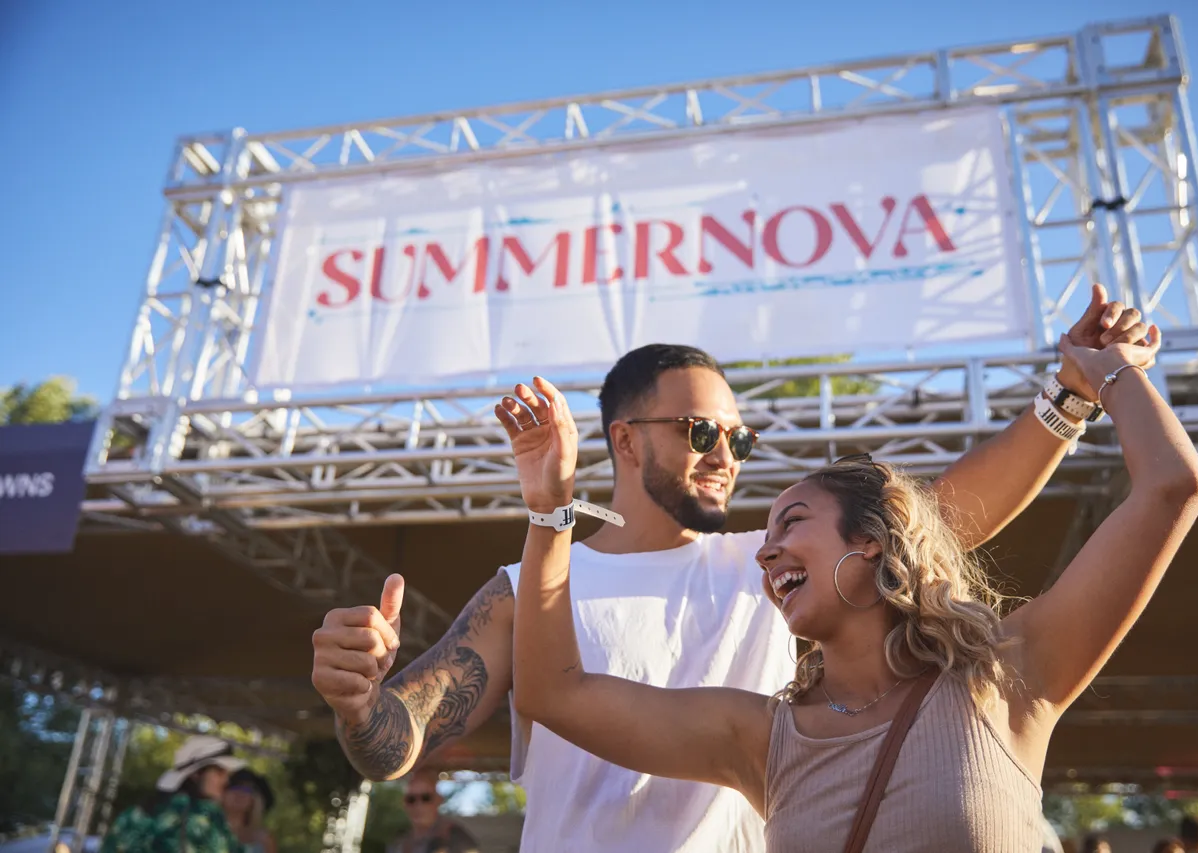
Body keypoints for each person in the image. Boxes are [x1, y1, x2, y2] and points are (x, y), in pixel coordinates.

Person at [312, 288, 1152, 852]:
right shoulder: (531, 586)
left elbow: (942, 512)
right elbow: (396, 739)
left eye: (740, 439)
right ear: (628, 439)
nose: (727, 456)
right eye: (701, 432)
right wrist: (357, 700)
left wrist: (1071, 396)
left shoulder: (775, 565)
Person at [499, 327, 1198, 849]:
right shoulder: (764, 739)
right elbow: (553, 694)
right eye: (768, 534)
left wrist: (1100, 374)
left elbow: (1172, 487)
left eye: (793, 521)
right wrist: (551, 508)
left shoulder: (1009, 678)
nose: (766, 547)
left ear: (872, 542)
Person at [101, 735, 245, 853]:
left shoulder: (135, 814)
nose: (226, 780)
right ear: (196, 774)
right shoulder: (207, 817)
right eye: (220, 772)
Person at [386, 767, 480, 853]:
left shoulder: (456, 838)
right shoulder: (399, 844)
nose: (418, 805)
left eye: (426, 798)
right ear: (404, 804)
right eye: (411, 799)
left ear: (438, 800)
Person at [222, 769, 276, 853]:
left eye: (247, 789)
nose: (240, 793)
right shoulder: (207, 831)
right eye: (234, 786)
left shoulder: (263, 839)